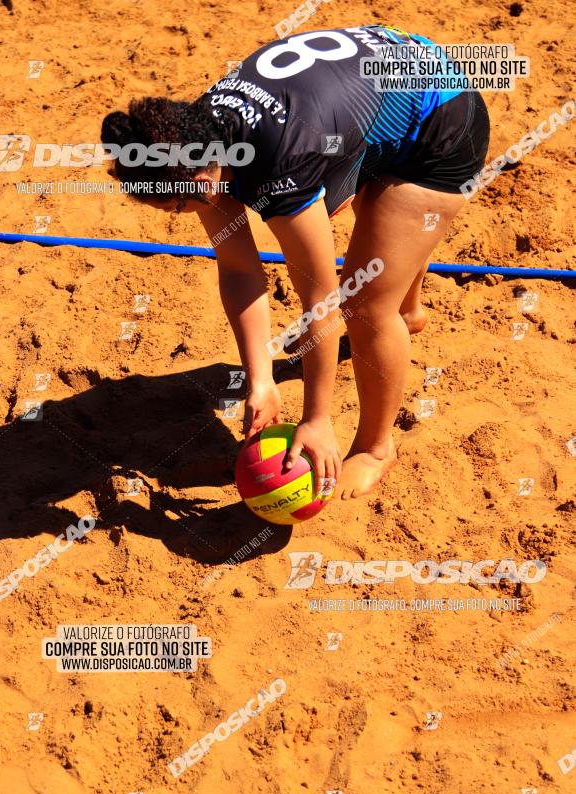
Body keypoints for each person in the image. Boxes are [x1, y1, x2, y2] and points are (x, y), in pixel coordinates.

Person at [102, 24, 490, 499]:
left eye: (180, 206)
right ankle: (408, 310)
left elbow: (321, 301)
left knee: (364, 306)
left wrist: (316, 418)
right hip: (379, 85)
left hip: (443, 119)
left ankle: (375, 448)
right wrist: (260, 380)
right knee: (369, 251)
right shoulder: (194, 138)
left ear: (200, 179)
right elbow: (241, 270)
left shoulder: (275, 164)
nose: (184, 214)